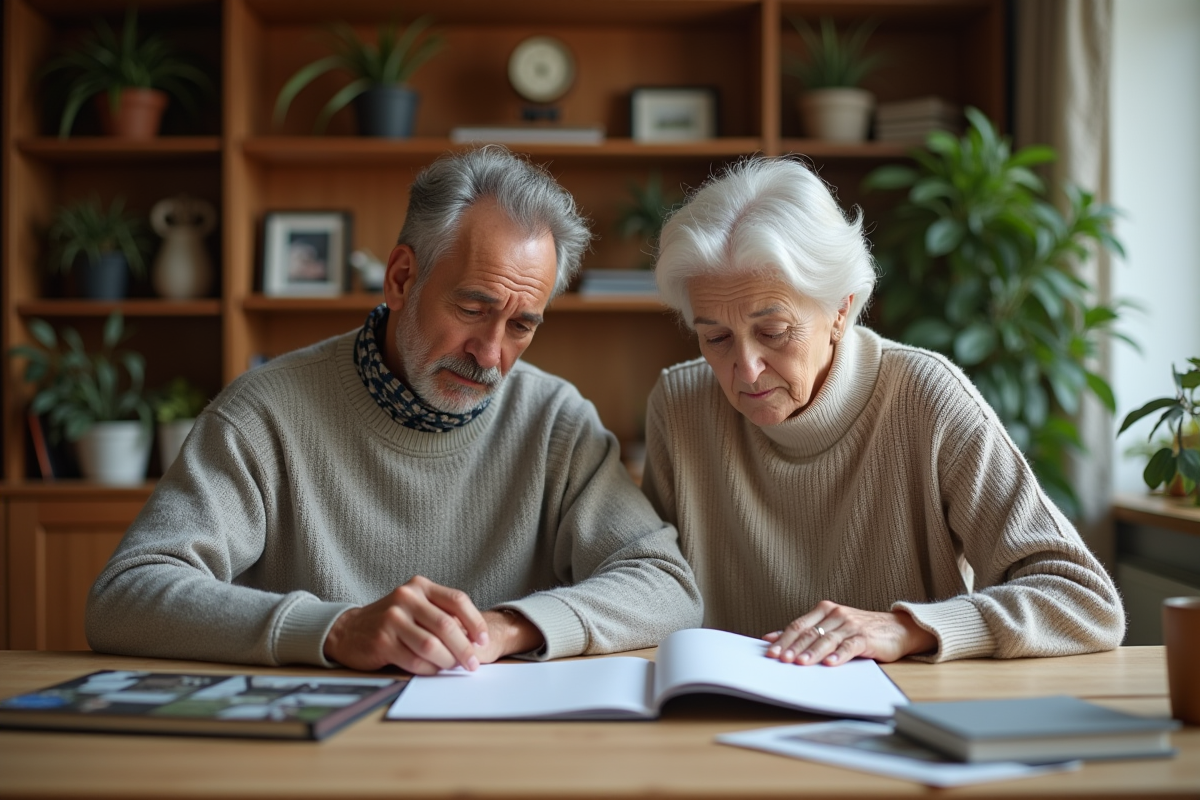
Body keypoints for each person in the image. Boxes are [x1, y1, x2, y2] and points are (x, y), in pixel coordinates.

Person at [87, 146, 702, 674]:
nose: (491, 355)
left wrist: (506, 628)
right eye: (472, 309)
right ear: (403, 278)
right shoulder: (263, 413)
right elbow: (125, 595)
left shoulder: (556, 421)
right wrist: (337, 629)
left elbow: (668, 586)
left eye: (521, 325)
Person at [641, 156, 1124, 667]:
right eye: (716, 338)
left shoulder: (926, 397)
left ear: (840, 309)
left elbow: (1084, 600)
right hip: (723, 703)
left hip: (900, 703)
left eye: (773, 331)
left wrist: (909, 628)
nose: (746, 368)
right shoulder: (680, 405)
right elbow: (648, 584)